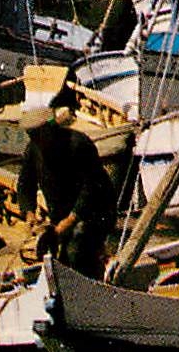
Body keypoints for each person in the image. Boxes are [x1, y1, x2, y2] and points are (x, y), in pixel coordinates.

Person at [16, 84, 115, 277]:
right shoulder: (33, 150)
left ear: (50, 128)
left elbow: (91, 189)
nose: (36, 140)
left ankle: (90, 280)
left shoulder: (78, 144)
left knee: (76, 247)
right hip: (60, 214)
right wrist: (29, 214)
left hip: (95, 212)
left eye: (38, 135)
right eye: (32, 136)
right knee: (53, 256)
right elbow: (25, 184)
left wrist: (69, 221)